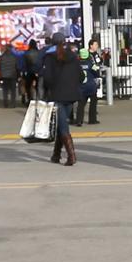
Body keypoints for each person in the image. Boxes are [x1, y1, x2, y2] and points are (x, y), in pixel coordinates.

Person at [41, 34, 83, 167]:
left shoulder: (50, 58)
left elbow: (47, 78)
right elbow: (81, 76)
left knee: (63, 126)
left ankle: (72, 156)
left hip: (57, 95)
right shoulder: (74, 57)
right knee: (61, 124)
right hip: (71, 95)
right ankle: (56, 154)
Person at [0, 45, 22, 109]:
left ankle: (5, 103)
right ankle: (13, 104)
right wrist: (18, 75)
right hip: (12, 75)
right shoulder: (14, 57)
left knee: (5, 90)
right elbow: (17, 67)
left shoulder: (1, 57)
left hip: (4, 75)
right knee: (13, 90)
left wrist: (0, 73)